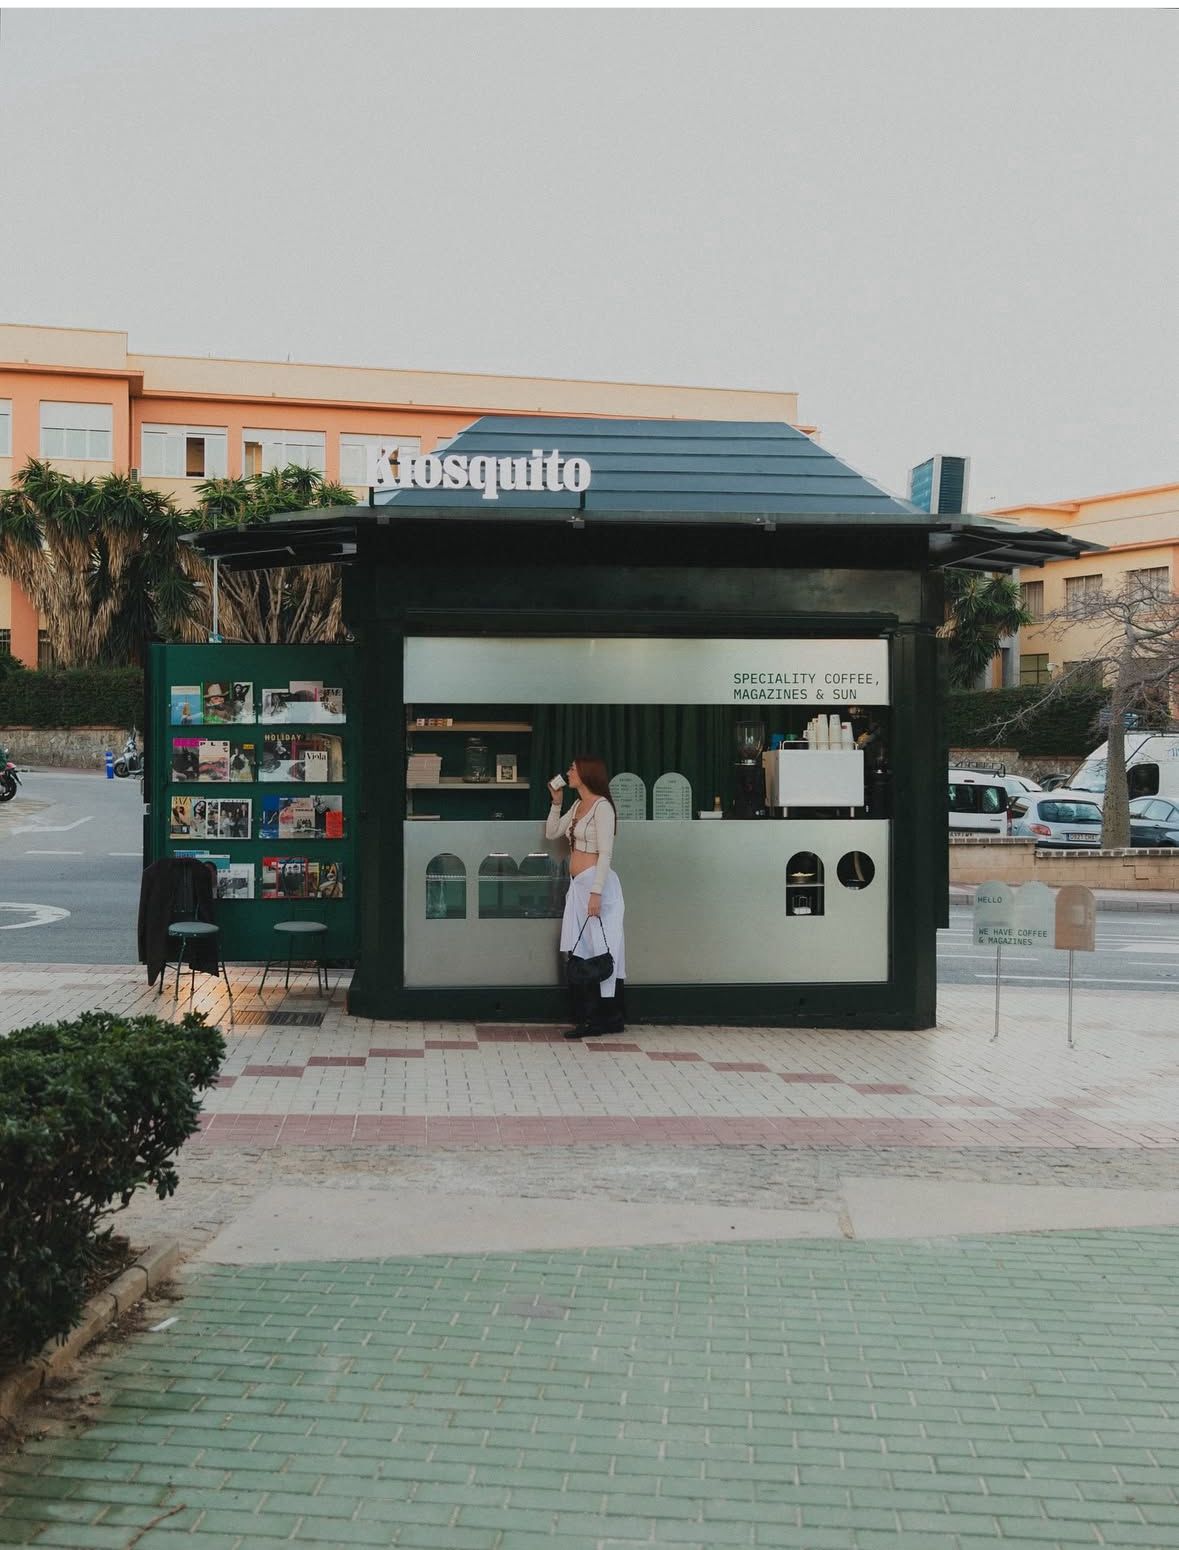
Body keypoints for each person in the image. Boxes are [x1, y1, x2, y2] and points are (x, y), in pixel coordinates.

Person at [546, 756, 627, 1039]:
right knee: (581, 947)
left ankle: (604, 1017)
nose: (568, 772)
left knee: (601, 947)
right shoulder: (577, 806)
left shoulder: (602, 807)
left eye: (573, 768)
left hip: (596, 885)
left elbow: (605, 853)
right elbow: (552, 832)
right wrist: (556, 802)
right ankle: (592, 1017)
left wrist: (596, 892)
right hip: (580, 886)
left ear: (586, 773)